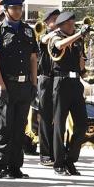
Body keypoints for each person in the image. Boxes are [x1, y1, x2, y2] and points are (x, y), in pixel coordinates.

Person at [0, 0, 38, 179]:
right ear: (5, 10)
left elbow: (33, 58)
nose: (18, 11)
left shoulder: (28, 31)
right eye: (14, 8)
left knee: (20, 127)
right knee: (6, 126)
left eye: (20, 8)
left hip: (25, 85)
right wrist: (0, 86)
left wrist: (34, 82)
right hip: (7, 84)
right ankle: (2, 166)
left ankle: (16, 166)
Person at [48, 11, 89, 176]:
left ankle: (70, 159)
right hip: (61, 82)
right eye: (69, 24)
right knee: (60, 125)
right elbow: (59, 46)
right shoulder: (55, 37)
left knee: (82, 124)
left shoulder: (77, 41)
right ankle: (58, 162)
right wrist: (79, 34)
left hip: (75, 82)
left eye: (74, 23)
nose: (73, 26)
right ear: (62, 25)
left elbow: (81, 65)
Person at [37, 9, 60, 166]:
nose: (58, 21)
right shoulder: (43, 34)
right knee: (45, 117)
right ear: (47, 22)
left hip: (59, 79)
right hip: (45, 79)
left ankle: (57, 150)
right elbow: (44, 40)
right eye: (55, 19)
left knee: (58, 117)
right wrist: (57, 31)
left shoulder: (61, 35)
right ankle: (45, 154)